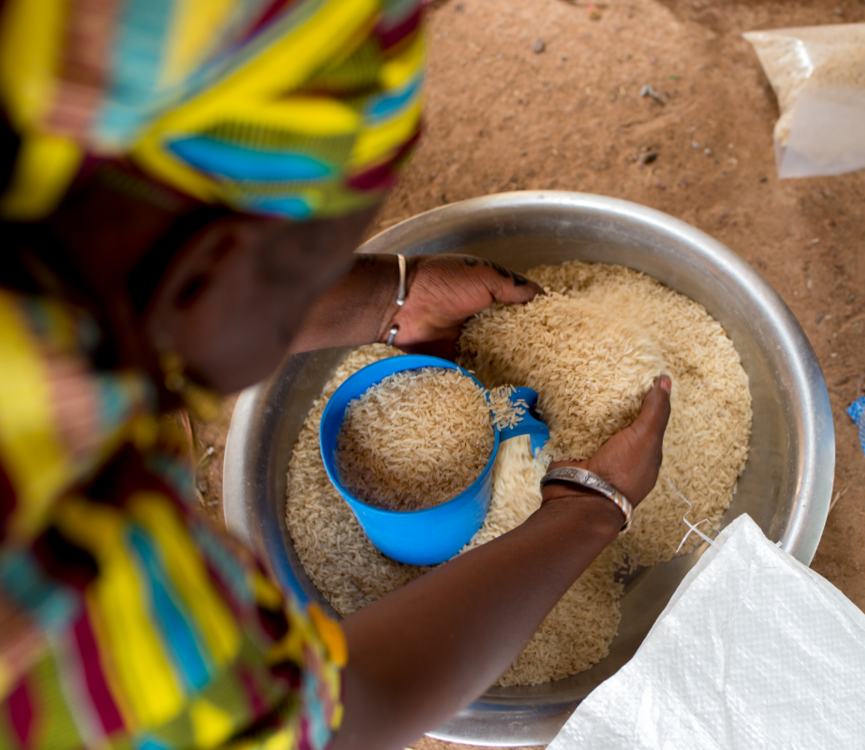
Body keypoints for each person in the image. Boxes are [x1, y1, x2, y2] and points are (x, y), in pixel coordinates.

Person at [0, 2, 672, 748]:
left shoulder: (53, 250)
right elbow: (329, 720)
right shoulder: (68, 569)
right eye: (315, 272)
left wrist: (392, 301)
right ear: (201, 273)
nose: (339, 282)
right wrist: (588, 507)